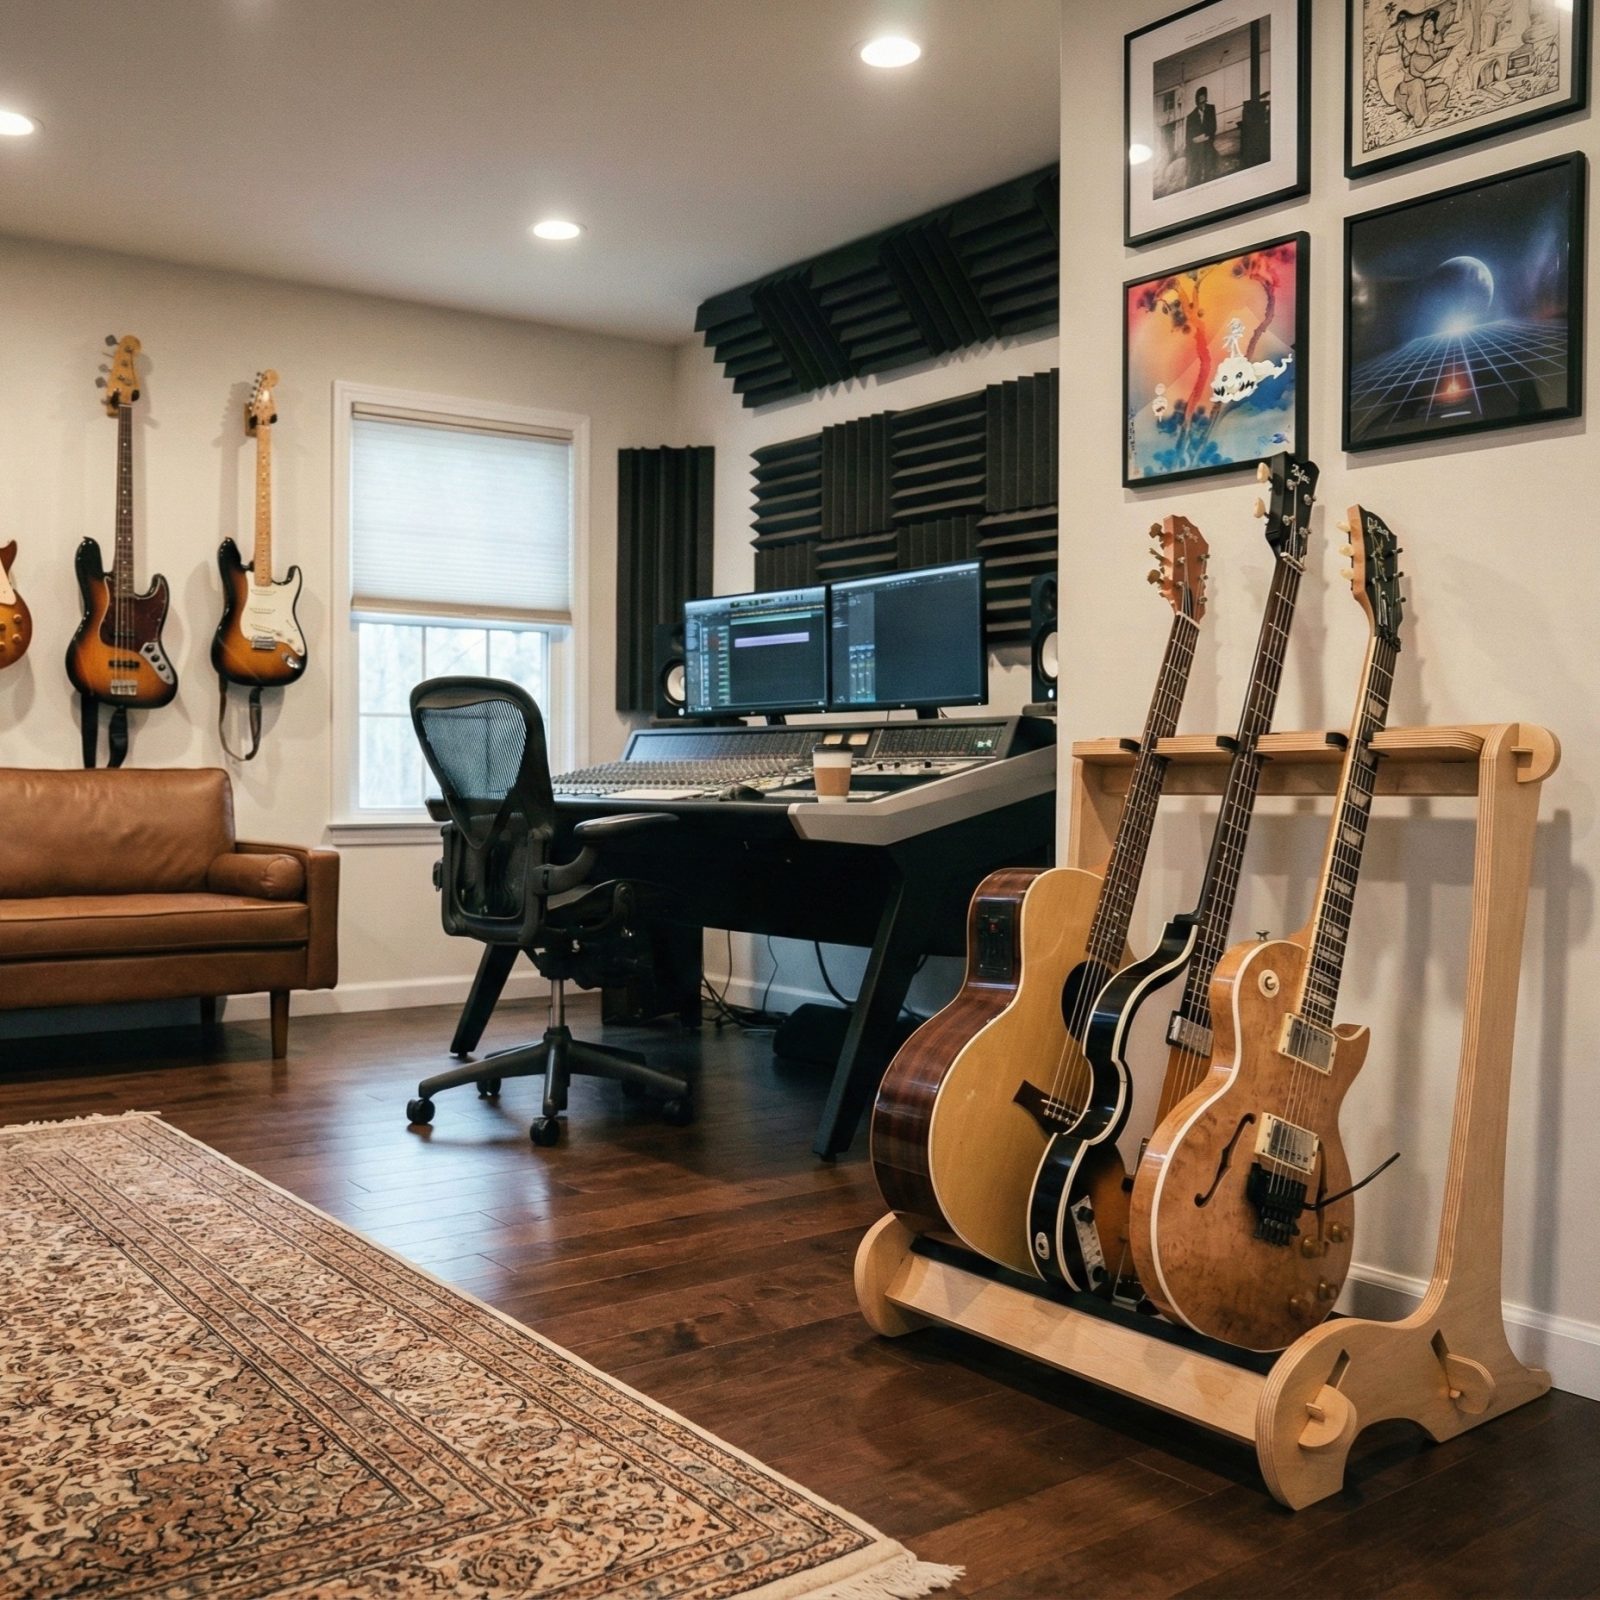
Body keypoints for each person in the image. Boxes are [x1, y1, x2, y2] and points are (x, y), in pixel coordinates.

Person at [1185, 85, 1218, 187]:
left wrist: (1205, 137)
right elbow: (1188, 138)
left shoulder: (1211, 109)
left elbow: (1213, 127)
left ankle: (1209, 181)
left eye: (1204, 102)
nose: (1203, 105)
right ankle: (1197, 183)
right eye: (1200, 103)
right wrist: (1195, 140)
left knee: (1210, 163)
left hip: (1208, 143)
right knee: (1196, 167)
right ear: (1197, 102)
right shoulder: (1191, 117)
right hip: (1196, 147)